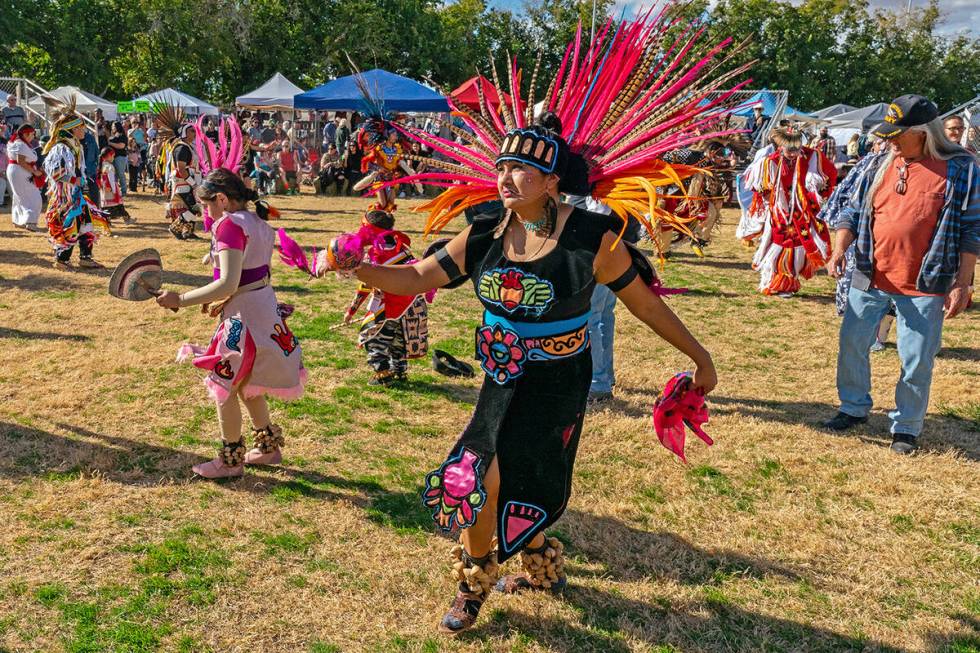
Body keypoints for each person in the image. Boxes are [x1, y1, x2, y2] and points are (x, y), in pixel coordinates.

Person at [307, 14, 741, 631]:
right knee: (474, 475)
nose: (507, 179)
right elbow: (417, 278)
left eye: (523, 171)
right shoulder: (485, 229)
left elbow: (646, 304)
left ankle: (535, 552)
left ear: (552, 181)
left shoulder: (593, 237)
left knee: (532, 485)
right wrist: (360, 270)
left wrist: (701, 360)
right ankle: (475, 576)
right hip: (500, 375)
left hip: (560, 378)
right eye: (503, 167)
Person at [824, 94, 979, 454]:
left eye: (898, 134)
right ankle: (853, 407)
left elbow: (972, 229)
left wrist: (962, 282)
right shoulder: (879, 163)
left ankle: (906, 427)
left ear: (923, 132)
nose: (890, 140)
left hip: (925, 282)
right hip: (869, 273)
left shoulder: (961, 168)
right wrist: (839, 250)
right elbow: (850, 210)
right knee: (852, 345)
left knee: (916, 358)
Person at [155, 168, 306, 479]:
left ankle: (231, 460)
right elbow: (249, 277)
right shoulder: (257, 221)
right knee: (248, 384)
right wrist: (224, 298)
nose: (206, 212)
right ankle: (267, 448)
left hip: (245, 319)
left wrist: (180, 299)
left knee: (226, 384)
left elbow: (227, 282)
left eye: (208, 204)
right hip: (262, 308)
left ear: (222, 199)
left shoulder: (229, 226)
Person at [342, 210, 432, 385]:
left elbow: (365, 286)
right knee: (399, 338)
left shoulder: (376, 255)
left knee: (374, 338)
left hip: (392, 304)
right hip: (413, 302)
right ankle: (399, 372)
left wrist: (351, 311)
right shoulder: (402, 247)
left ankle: (383, 374)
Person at [748, 126, 837, 296]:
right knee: (780, 240)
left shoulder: (812, 157)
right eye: (788, 149)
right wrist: (767, 194)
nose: (792, 153)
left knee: (796, 243)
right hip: (780, 212)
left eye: (796, 149)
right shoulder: (770, 162)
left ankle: (787, 281)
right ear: (781, 146)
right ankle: (774, 279)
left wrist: (820, 190)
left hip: (803, 210)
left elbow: (830, 173)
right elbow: (758, 185)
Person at [42, 102, 110, 268]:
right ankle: (61, 259)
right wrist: (73, 180)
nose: (83, 131)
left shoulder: (75, 146)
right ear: (71, 130)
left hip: (76, 194)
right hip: (65, 197)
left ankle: (85, 258)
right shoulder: (61, 148)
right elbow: (54, 172)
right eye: (80, 128)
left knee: (85, 223)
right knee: (70, 225)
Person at [155, 106, 201, 240]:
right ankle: (175, 227)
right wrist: (193, 183)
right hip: (183, 182)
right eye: (192, 131)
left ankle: (188, 232)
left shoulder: (187, 147)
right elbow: (181, 169)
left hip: (188, 182)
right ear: (185, 133)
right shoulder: (181, 148)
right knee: (194, 207)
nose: (195, 133)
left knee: (193, 207)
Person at [6, 124, 44, 230]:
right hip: (21, 171)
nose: (33, 136)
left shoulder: (14, 142)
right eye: (32, 134)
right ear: (26, 134)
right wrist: (35, 172)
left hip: (16, 170)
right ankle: (30, 221)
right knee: (34, 196)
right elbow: (21, 161)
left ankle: (19, 220)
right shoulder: (21, 144)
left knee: (20, 196)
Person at [98, 146, 133, 224]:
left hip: (104, 189)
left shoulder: (102, 165)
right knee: (118, 205)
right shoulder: (109, 166)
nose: (113, 158)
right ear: (109, 156)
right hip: (110, 189)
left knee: (106, 207)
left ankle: (107, 222)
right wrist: (114, 190)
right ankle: (126, 219)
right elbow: (111, 179)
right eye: (113, 156)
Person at [108, 121, 129, 198]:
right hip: (113, 157)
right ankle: (116, 191)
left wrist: (110, 144)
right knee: (114, 175)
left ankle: (124, 191)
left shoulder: (122, 135)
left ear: (117, 127)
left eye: (113, 126)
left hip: (120, 157)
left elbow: (121, 146)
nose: (112, 127)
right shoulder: (113, 136)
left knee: (120, 174)